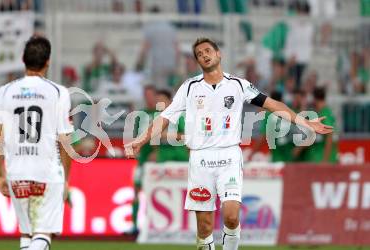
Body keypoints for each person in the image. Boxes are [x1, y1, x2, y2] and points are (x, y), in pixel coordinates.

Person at [125, 37, 333, 250]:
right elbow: (165, 118)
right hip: (200, 158)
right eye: (199, 54)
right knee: (205, 227)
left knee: (232, 217)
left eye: (207, 51)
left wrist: (304, 121)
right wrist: (140, 141)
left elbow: (272, 104)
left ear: (218, 54)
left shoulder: (238, 84)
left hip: (229, 157)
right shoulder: (189, 87)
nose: (204, 55)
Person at [0, 36, 73, 250]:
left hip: (17, 171)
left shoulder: (5, 91)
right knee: (43, 233)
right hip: (46, 171)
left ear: (22, 59)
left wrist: (1, 173)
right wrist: (66, 178)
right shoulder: (58, 92)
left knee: (27, 233)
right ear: (48, 62)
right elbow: (65, 138)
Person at [130, 85, 157, 235]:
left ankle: (153, 225)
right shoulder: (140, 115)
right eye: (145, 95)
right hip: (142, 160)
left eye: (150, 95)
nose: (148, 98)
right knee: (136, 190)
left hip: (157, 160)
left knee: (155, 192)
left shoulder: (163, 114)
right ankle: (134, 226)